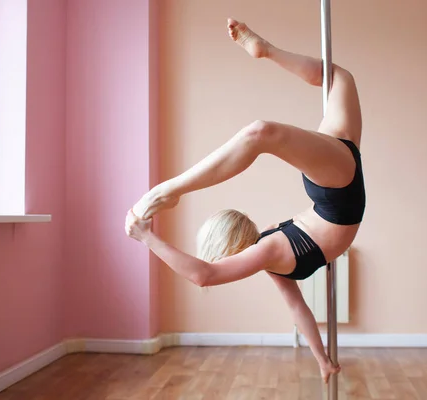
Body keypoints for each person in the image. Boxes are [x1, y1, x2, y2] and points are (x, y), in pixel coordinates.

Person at [125, 18, 365, 384]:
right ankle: (169, 190)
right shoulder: (267, 254)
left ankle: (264, 50)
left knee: (336, 78)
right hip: (336, 193)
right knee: (261, 131)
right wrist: (146, 237)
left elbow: (297, 307)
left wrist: (322, 357)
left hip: (338, 189)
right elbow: (204, 277)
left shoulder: (269, 250)